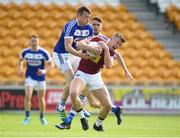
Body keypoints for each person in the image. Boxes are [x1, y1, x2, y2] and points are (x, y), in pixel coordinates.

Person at [56, 16, 133, 129]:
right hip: (81, 71)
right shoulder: (90, 37)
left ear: (101, 27)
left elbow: (109, 64)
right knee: (74, 91)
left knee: (97, 103)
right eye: (94, 24)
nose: (117, 46)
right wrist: (90, 48)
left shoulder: (108, 47)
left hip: (95, 77)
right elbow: (79, 44)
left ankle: (96, 123)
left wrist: (125, 69)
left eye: (98, 25)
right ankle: (69, 113)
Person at [52, 6, 101, 122]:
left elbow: (85, 43)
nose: (88, 20)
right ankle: (70, 107)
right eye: (85, 17)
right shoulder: (70, 26)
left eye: (89, 17)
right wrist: (82, 55)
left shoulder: (89, 28)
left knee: (83, 78)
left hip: (75, 55)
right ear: (78, 16)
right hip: (61, 55)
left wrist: (90, 50)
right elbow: (67, 47)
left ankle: (62, 106)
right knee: (73, 81)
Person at [19, 34, 54, 125]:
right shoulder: (25, 52)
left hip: (40, 79)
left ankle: (42, 117)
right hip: (29, 77)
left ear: (38, 42)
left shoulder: (43, 52)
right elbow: (20, 61)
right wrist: (20, 70)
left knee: (41, 99)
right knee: (27, 97)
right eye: (32, 41)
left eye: (35, 41)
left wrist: (44, 71)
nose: (34, 42)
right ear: (29, 42)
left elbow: (52, 64)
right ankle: (27, 117)